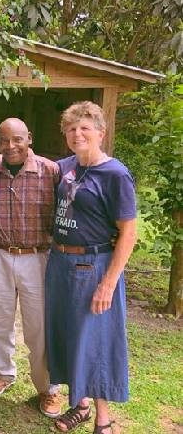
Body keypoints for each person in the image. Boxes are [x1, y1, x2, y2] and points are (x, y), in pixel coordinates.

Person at [46, 101, 137, 434]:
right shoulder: (68, 166)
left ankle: (103, 419)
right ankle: (81, 405)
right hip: (61, 262)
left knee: (95, 340)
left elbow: (128, 232)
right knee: (69, 334)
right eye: (71, 129)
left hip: (93, 265)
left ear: (101, 132)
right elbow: (36, 164)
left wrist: (108, 283)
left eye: (85, 128)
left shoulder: (115, 174)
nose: (77, 134)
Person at [0, 118, 63, 417]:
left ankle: (48, 388)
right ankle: (2, 373)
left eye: (17, 139)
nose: (10, 146)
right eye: (4, 140)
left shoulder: (50, 171)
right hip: (0, 254)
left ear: (29, 138)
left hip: (37, 257)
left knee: (39, 326)